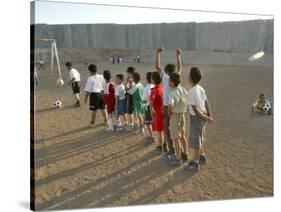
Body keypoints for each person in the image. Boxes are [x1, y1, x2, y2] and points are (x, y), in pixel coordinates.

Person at [155, 46, 182, 161]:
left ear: (166, 72)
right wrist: (178, 56)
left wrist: (158, 53)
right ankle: (181, 152)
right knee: (177, 129)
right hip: (178, 107)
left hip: (167, 106)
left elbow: (157, 67)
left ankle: (172, 152)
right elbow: (180, 68)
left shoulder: (166, 77)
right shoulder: (177, 77)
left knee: (167, 128)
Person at [184, 67, 213, 172]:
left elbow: (195, 110)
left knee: (196, 140)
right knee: (200, 137)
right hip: (203, 116)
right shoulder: (200, 88)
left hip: (197, 118)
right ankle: (202, 156)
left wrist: (206, 117)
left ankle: (195, 163)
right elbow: (206, 102)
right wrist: (209, 115)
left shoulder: (191, 92)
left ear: (190, 78)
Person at [167, 73, 188, 166]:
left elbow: (171, 104)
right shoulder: (182, 89)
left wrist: (169, 112)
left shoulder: (173, 92)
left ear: (172, 82)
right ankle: (185, 154)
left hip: (175, 115)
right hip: (182, 114)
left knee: (175, 138)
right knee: (182, 136)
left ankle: (178, 158)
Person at [150, 72, 167, 154]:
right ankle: (165, 145)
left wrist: (151, 111)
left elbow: (151, 102)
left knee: (158, 130)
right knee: (163, 129)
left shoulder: (154, 90)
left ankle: (159, 147)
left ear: (153, 80)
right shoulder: (162, 88)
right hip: (163, 111)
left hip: (157, 112)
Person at [143, 72, 155, 144]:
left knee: (148, 123)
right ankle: (155, 136)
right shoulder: (154, 86)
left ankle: (152, 136)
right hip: (155, 106)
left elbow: (144, 100)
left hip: (148, 106)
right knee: (154, 122)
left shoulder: (146, 88)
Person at [125, 67, 136, 131]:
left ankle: (131, 125)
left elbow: (126, 89)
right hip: (134, 96)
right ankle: (135, 123)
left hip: (130, 96)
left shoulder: (130, 80)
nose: (127, 74)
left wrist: (127, 81)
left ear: (130, 73)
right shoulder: (135, 79)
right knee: (134, 111)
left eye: (128, 73)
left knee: (129, 111)